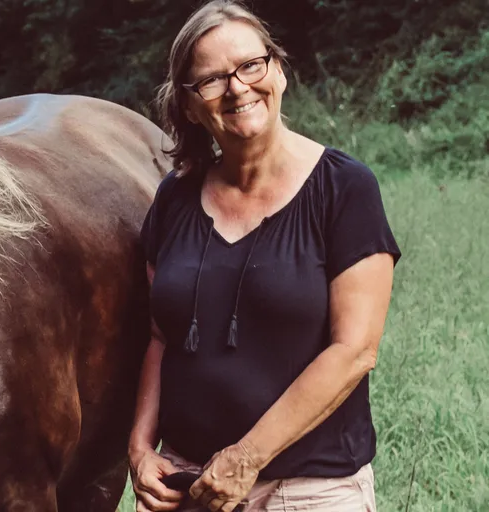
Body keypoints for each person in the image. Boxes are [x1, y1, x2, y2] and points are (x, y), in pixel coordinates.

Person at [127, 1, 402, 511]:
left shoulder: (344, 189)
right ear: (189, 105)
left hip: (310, 490)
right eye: (211, 79)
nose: (236, 88)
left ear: (277, 70)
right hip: (187, 486)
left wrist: (246, 457)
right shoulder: (175, 198)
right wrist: (141, 448)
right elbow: (160, 336)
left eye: (251, 65)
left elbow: (355, 350)